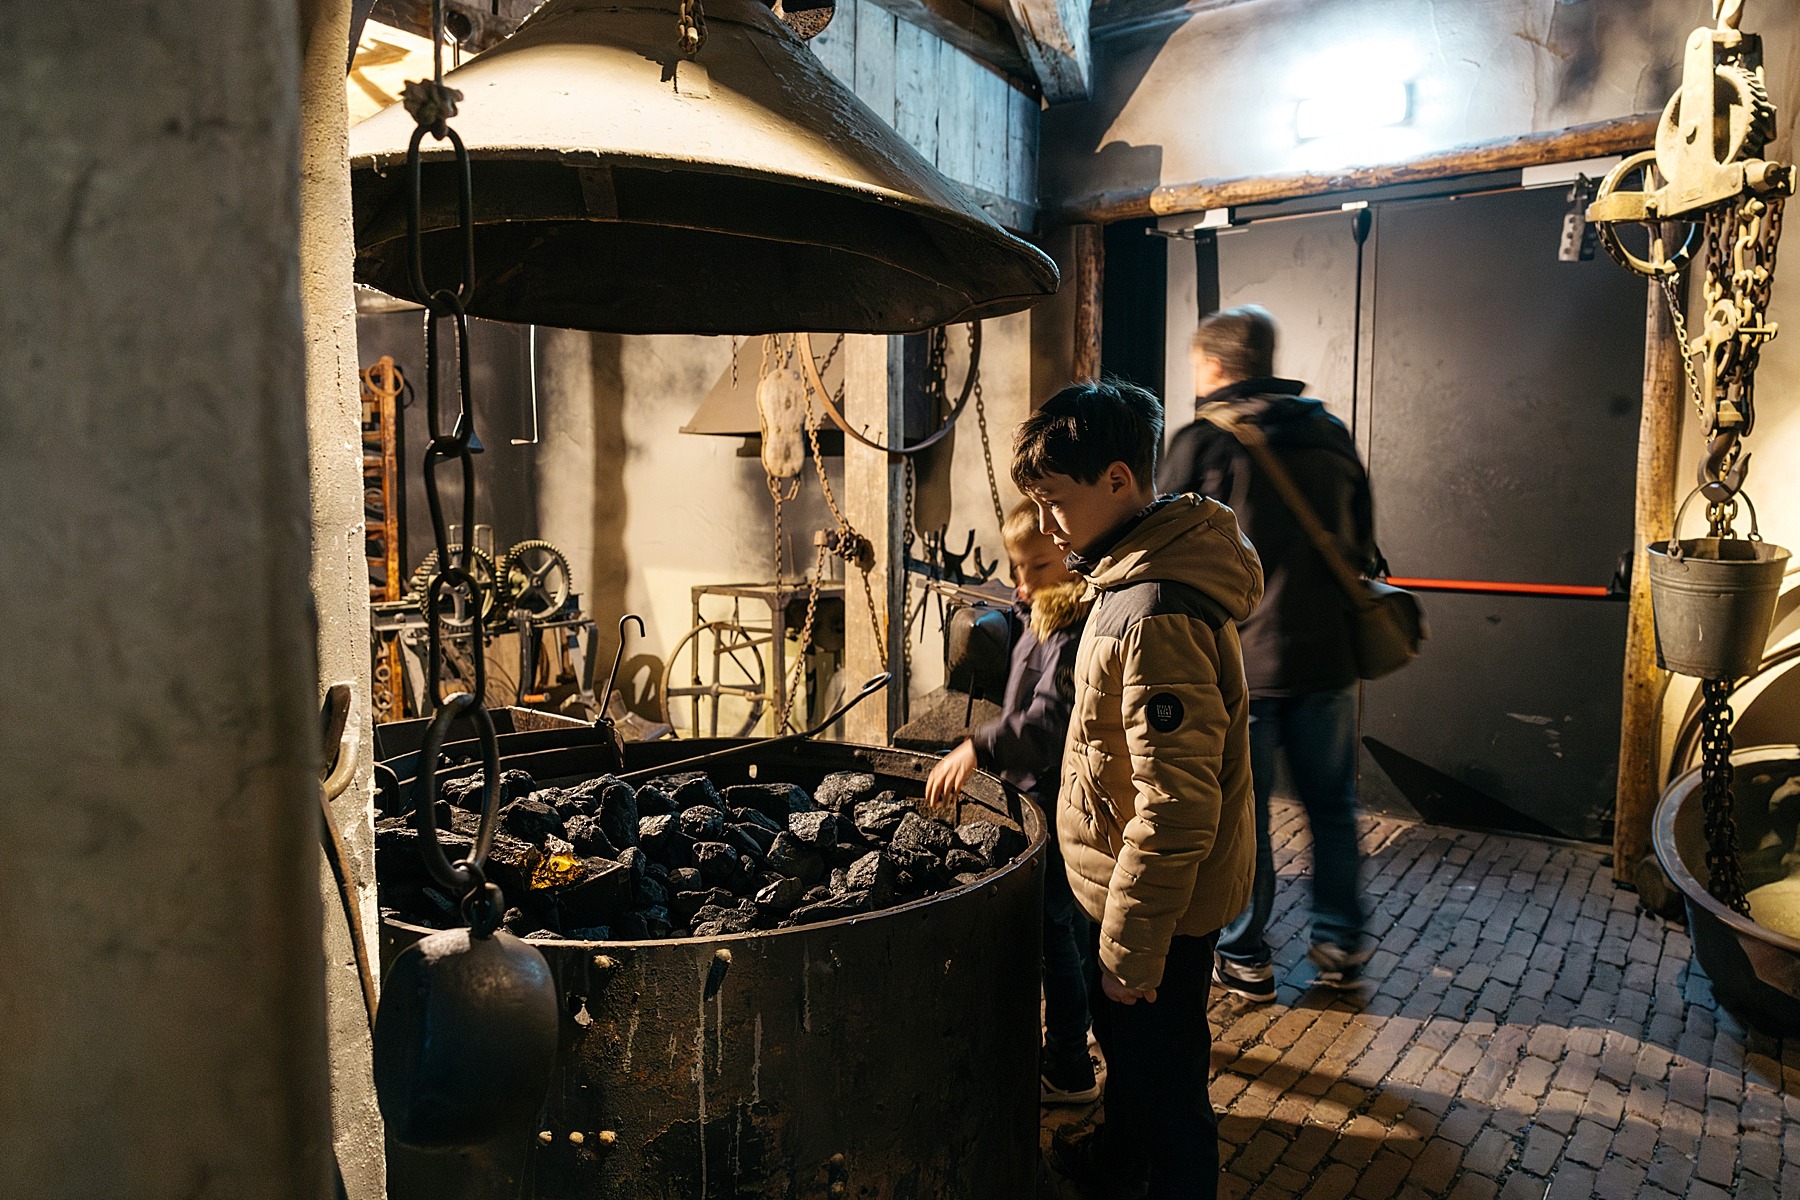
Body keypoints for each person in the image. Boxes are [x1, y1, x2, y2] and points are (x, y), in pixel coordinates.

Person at [1014, 379, 1262, 1200]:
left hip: (1154, 906)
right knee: (1137, 1064)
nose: (1048, 525)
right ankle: (1119, 1165)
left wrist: (1130, 947)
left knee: (1166, 1088)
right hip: (1126, 891)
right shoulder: (1127, 575)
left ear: (1118, 480)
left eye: (1055, 502)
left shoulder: (1153, 608)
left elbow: (1176, 802)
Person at [1159, 305, 1379, 1000]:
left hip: (1243, 666)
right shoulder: (1332, 437)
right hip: (1330, 662)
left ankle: (1245, 951)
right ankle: (1340, 943)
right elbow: (1365, 543)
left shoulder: (1205, 443)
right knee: (1332, 808)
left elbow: (1159, 550)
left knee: (1241, 819)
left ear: (1216, 366)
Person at [926, 502, 1100, 1104]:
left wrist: (978, 745)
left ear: (1071, 554)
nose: (1023, 584)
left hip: (1054, 798)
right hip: (1038, 794)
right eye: (1016, 568)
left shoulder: (1075, 626)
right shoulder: (1041, 609)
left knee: (1059, 933)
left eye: (1038, 567)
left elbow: (1048, 721)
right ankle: (1075, 1047)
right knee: (1067, 930)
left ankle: (1070, 1067)